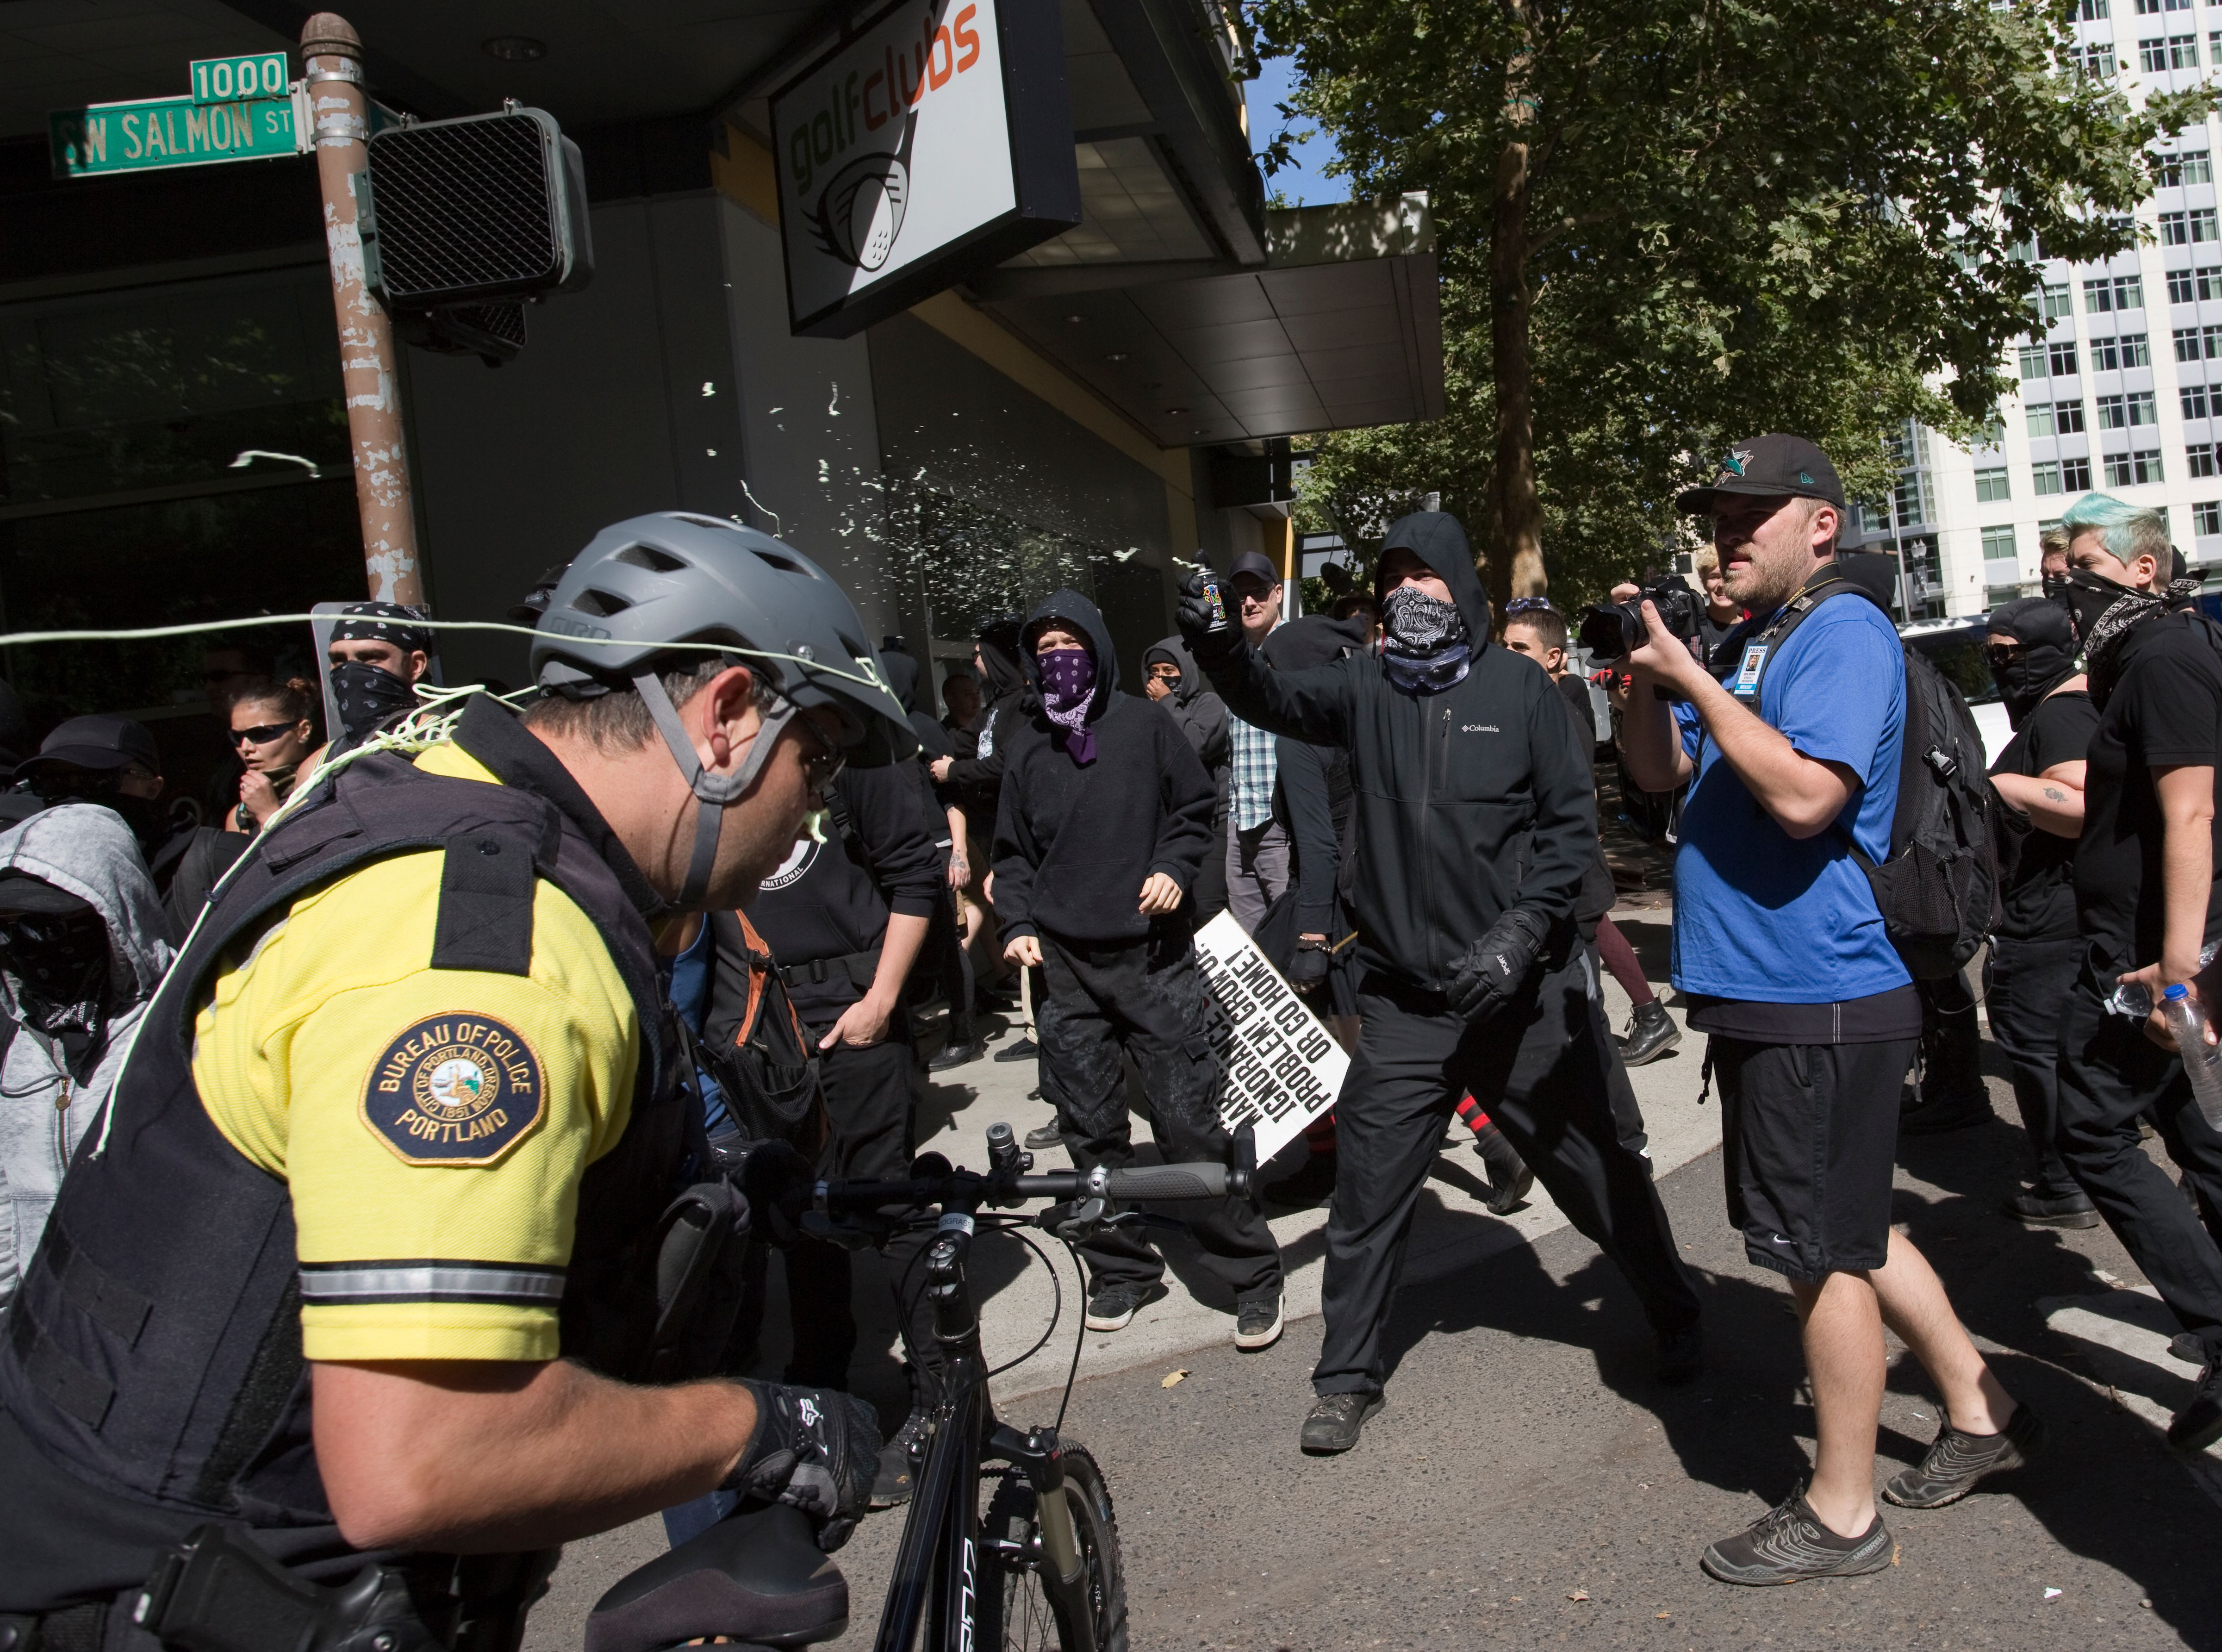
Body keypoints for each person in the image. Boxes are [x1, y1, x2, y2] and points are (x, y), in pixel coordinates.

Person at [0, 512, 912, 1642]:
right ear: (726, 716)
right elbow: (424, 1454)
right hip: (182, 1605)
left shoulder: (438, 793)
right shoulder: (492, 959)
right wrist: (761, 1424)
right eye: (814, 760)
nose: (812, 811)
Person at [1182, 511, 1701, 1455]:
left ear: (1462, 587)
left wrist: (1517, 934)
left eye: (1427, 577)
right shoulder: (1361, 687)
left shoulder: (1525, 691)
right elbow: (1266, 696)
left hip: (1521, 995)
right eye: (1394, 578)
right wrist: (1218, 644)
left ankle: (1675, 1308)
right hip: (1403, 1006)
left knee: (1595, 1172)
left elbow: (1565, 833)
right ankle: (1345, 1376)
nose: (1407, 594)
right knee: (1368, 1196)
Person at [1616, 434, 2036, 1585]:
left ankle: (1841, 1509)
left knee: (1818, 1253)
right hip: (1774, 991)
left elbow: (1806, 795)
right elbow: (1660, 776)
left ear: (1818, 524)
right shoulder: (1752, 640)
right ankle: (1977, 1400)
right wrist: (1648, 681)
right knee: (1851, 1225)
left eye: (1752, 512)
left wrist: (1695, 676)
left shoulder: (1838, 631)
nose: (1725, 535)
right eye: (1715, 517)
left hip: (1820, 989)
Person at [993, 590, 1286, 1348]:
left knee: (1189, 1125)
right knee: (1091, 1132)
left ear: (1095, 646)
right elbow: (1014, 855)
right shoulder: (1023, 740)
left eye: (1070, 642)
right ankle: (1121, 1267)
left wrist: (1172, 869)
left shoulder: (1144, 723)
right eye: (1044, 644)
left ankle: (1251, 1273)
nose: (1057, 656)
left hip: (1154, 958)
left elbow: (1194, 809)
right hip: (1065, 968)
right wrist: (1017, 923)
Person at [738, 656, 942, 1496]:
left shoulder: (858, 749)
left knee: (890, 1210)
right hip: (764, 1013)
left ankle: (943, 1395)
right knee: (801, 1225)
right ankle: (821, 1403)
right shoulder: (731, 754)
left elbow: (915, 878)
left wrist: (882, 998)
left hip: (854, 1002)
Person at [2047, 491, 2222, 1456]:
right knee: (2194, 1125)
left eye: (2082, 566)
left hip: (2158, 957)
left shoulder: (2162, 656)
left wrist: (2181, 970)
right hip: (2145, 946)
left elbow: (2190, 813)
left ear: (2143, 568)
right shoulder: (2143, 657)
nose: (2066, 584)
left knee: (2093, 1127)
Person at [0, 805, 174, 1308]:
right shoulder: (22, 1047)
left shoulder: (179, 1034)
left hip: (154, 1336)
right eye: (10, 923)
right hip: (48, 1344)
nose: (29, 941)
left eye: (52, 921)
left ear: (114, 912)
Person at [1502, 603, 1680, 1067]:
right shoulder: (1535, 703)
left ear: (1554, 657)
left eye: (1518, 647)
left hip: (1565, 853)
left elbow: (1568, 791)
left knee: (1590, 933)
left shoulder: (1558, 710)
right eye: (1504, 645)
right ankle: (1630, 1022)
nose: (1506, 655)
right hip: (1562, 852)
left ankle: (1636, 1021)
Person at [1979, 598, 2100, 1228]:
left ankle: (2065, 1181)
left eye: (2009, 654)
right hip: (2054, 911)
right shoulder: (2061, 707)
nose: (2000, 667)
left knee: (2038, 1052)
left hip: (2053, 918)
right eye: (1992, 655)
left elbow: (2080, 804)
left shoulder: (2060, 715)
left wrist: (1993, 786)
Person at [882, 648, 981, 1070]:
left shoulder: (923, 728)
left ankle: (964, 1034)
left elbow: (951, 793)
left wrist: (958, 853)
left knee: (950, 946)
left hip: (936, 850)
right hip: (896, 854)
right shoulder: (877, 727)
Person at [17, 714, 198, 908]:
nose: (76, 799)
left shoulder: (206, 861)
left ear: (153, 788)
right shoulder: (28, 874)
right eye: (53, 782)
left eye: (98, 780)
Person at [1222, 550, 1291, 935]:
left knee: (1291, 934)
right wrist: (1211, 589)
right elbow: (1211, 622)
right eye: (1239, 594)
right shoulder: (1234, 654)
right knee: (1253, 944)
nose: (1249, 602)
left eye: (1259, 592)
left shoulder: (1296, 648)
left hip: (1279, 822)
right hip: (1239, 820)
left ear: (1277, 594)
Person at [1143, 635, 1232, 921]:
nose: (1160, 679)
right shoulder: (1147, 713)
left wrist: (1168, 702)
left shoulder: (1209, 704)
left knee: (1207, 905)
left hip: (1211, 823)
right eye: (1154, 673)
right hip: (1170, 828)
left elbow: (1196, 745)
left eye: (1169, 673)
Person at [325, 599, 434, 746]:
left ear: (415, 666)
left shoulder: (451, 749)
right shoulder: (320, 764)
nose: (350, 671)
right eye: (339, 659)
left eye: (370, 657)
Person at [225, 676, 320, 835]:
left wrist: (269, 815)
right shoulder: (240, 816)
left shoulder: (331, 788)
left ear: (303, 731)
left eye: (260, 734)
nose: (245, 747)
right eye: (237, 737)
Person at [1693, 548, 1746, 665]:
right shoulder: (1692, 630)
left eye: (1728, 576)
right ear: (1704, 582)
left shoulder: (1755, 629)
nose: (1722, 585)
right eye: (1715, 577)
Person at [940, 669, 981, 739]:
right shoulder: (943, 735)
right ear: (951, 701)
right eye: (969, 694)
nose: (977, 698)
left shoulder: (984, 728)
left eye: (978, 693)